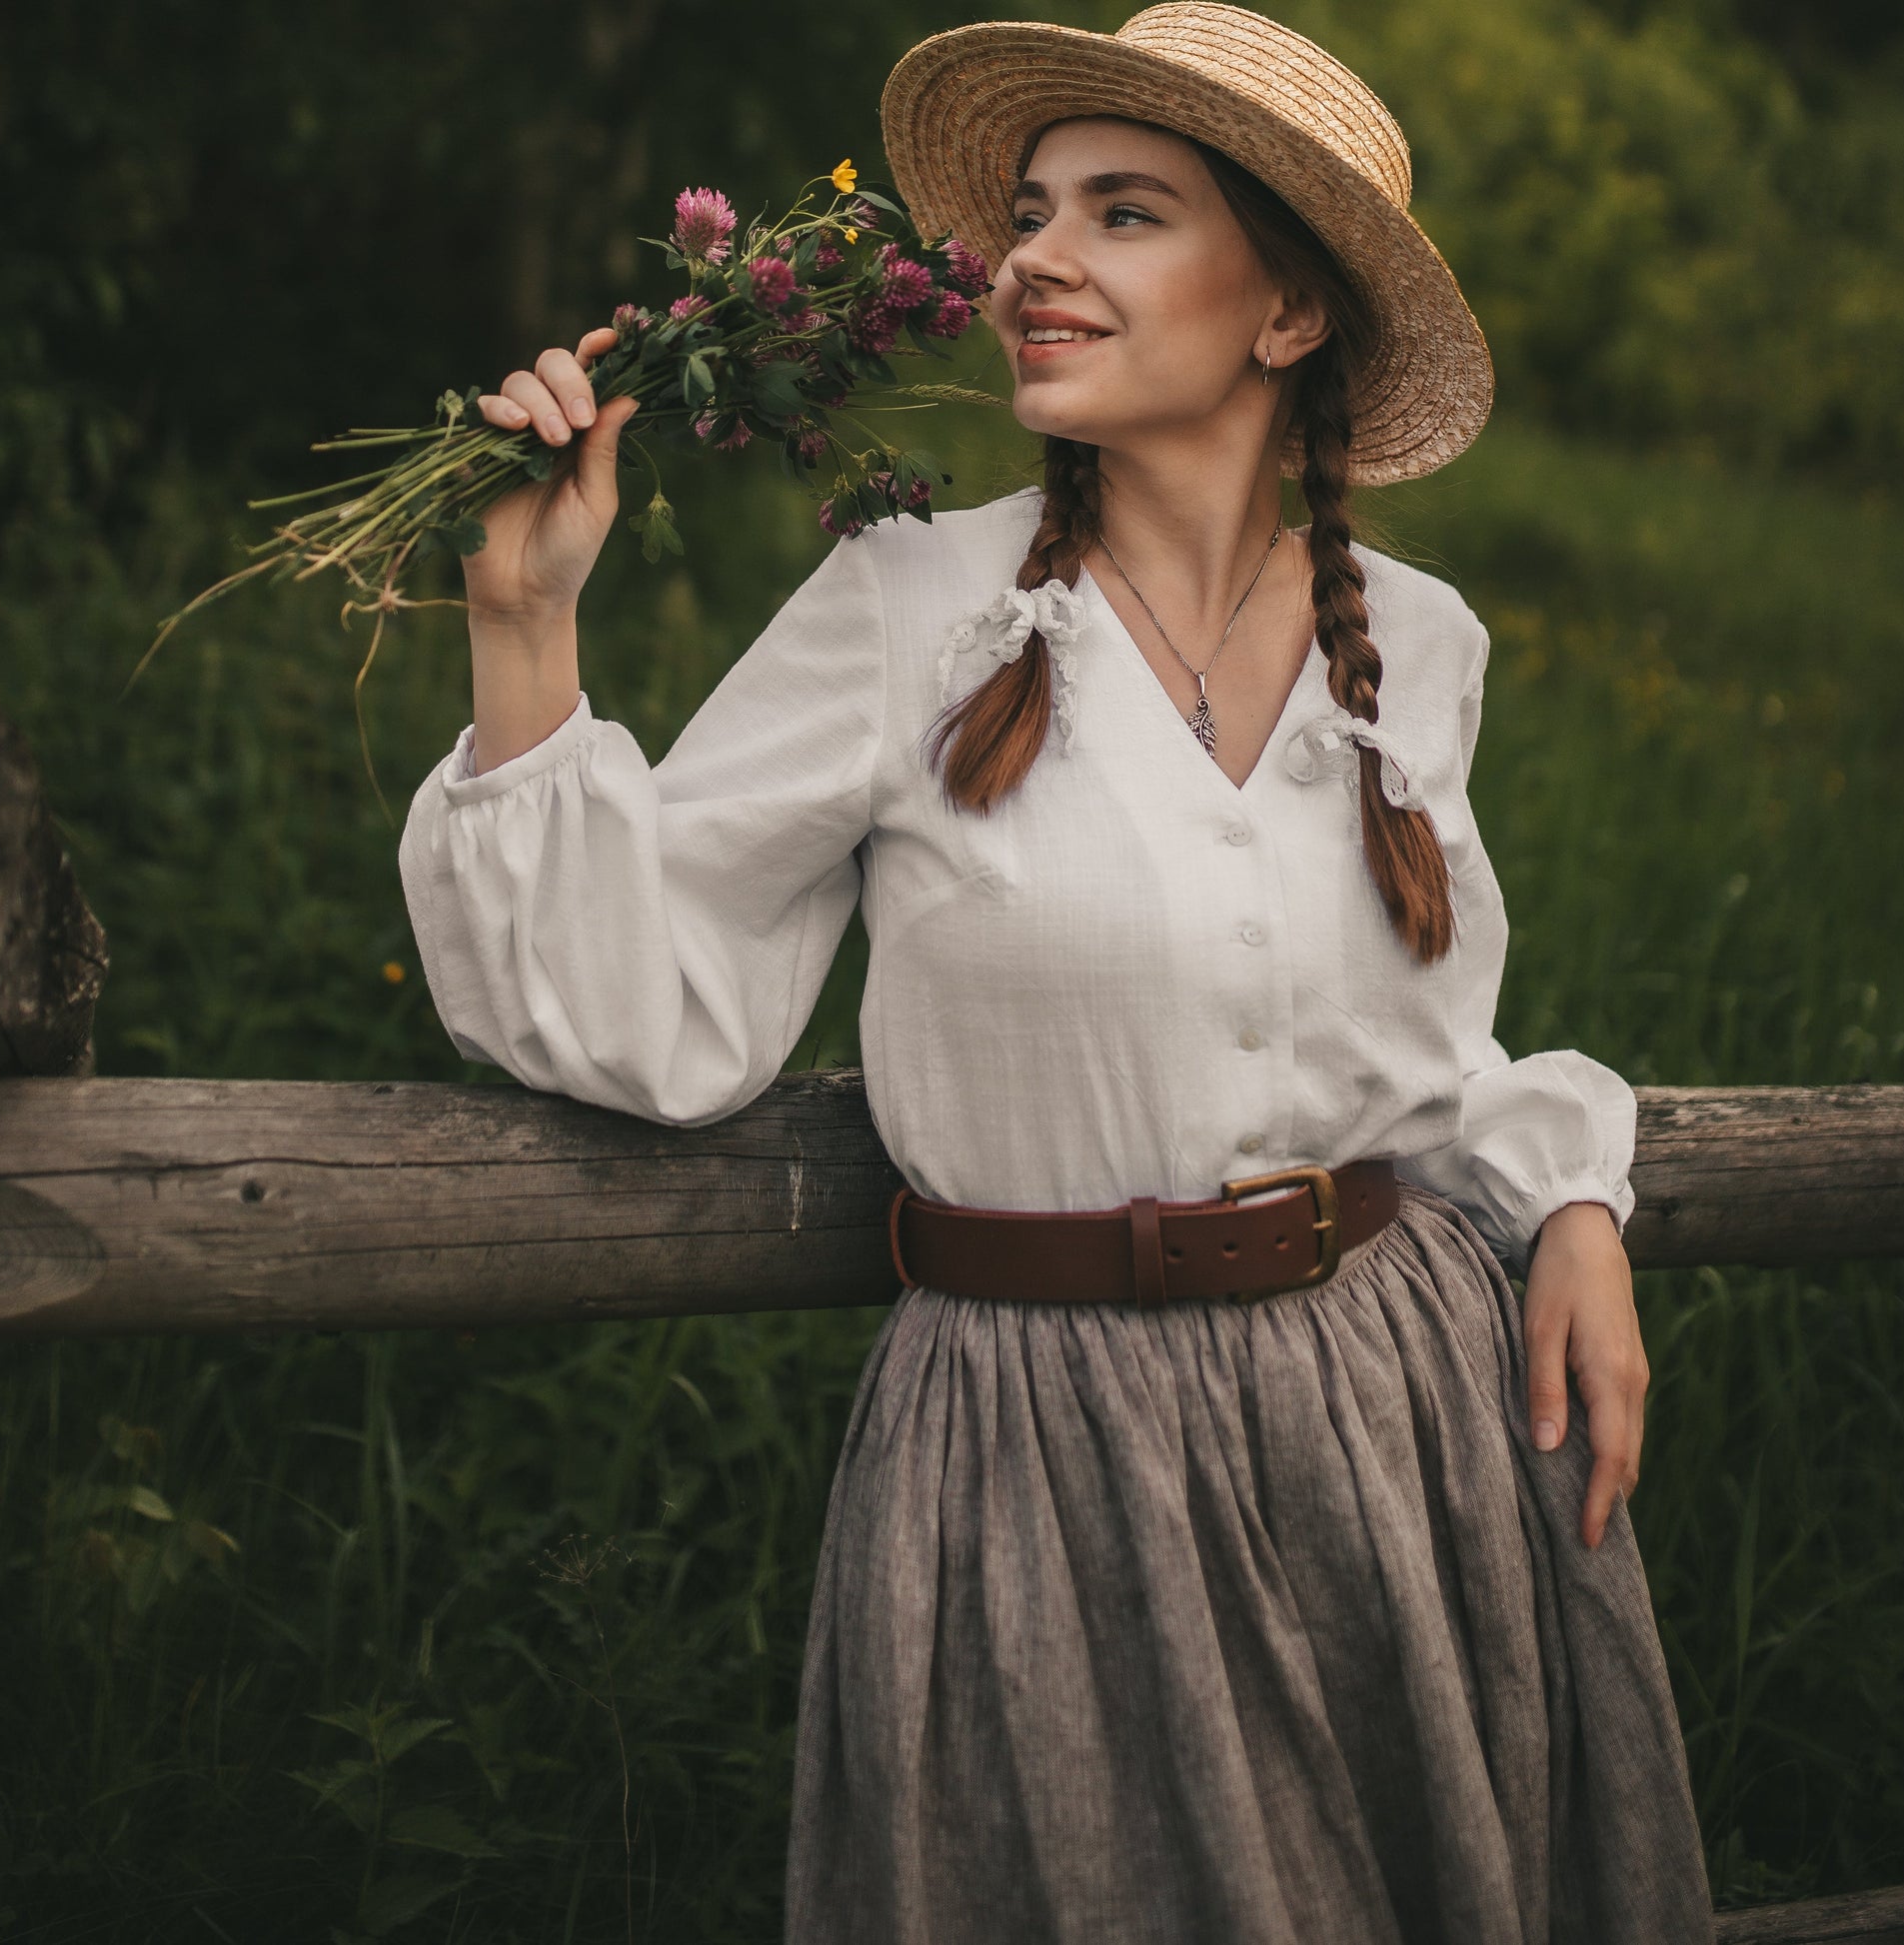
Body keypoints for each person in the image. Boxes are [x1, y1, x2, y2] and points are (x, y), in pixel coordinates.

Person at [399, 5, 1717, 1938]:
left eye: (1123, 213)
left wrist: (1571, 1198)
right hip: (1047, 1454)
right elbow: (643, 1012)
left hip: (1404, 1426)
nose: (1031, 259)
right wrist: (523, 628)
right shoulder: (906, 605)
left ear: (1281, 314)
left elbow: (1421, 1063)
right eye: (1029, 214)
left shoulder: (1416, 646)